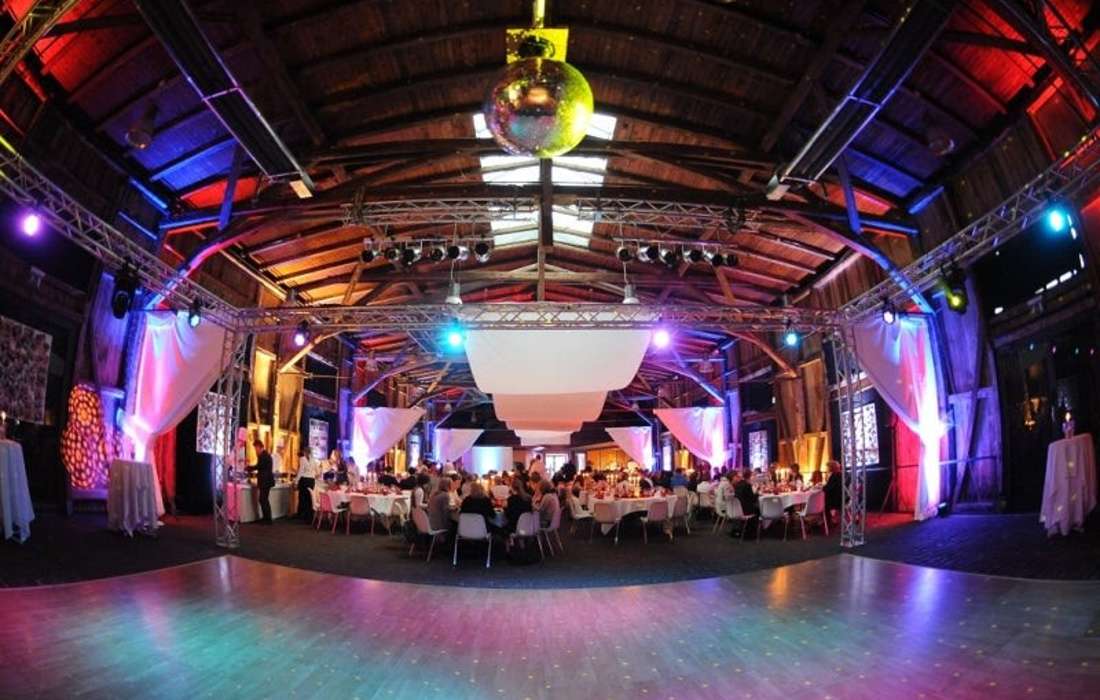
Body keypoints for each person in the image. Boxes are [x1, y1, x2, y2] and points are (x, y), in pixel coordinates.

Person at [254, 440, 275, 524]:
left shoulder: (263, 455)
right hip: (266, 481)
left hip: (265, 481)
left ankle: (267, 519)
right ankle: (266, 518)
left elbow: (259, 466)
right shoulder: (266, 455)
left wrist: (249, 468)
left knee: (263, 499)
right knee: (263, 499)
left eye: (256, 448)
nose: (255, 450)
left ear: (259, 447)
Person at [295, 448, 318, 521]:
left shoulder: (302, 459)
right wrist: (313, 474)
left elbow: (300, 471)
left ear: (305, 452)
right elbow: (317, 471)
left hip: (304, 480)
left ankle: (301, 516)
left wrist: (296, 481)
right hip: (311, 481)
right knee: (309, 498)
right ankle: (309, 517)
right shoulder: (314, 460)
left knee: (302, 498)